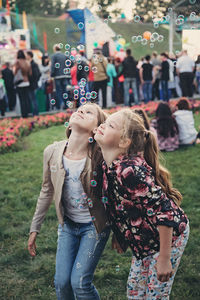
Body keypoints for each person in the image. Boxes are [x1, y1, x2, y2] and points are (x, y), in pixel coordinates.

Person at [94, 109, 189, 300]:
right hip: (144, 241)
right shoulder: (108, 166)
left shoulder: (130, 172)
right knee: (135, 292)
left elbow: (166, 212)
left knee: (155, 294)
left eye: (111, 125)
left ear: (123, 142)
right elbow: (117, 205)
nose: (103, 124)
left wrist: (164, 258)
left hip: (168, 238)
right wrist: (120, 235)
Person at [28, 103, 110, 300]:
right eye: (80, 108)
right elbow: (46, 190)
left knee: (80, 283)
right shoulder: (52, 152)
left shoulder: (100, 156)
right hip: (68, 225)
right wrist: (34, 228)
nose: (81, 110)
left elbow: (115, 195)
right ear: (70, 125)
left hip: (95, 226)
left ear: (96, 129)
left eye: (89, 112)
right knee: (61, 283)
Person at [51, 44, 72, 109]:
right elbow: (71, 63)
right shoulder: (64, 55)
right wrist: (67, 70)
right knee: (65, 91)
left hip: (57, 76)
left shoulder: (54, 56)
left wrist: (52, 74)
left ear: (55, 49)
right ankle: (66, 105)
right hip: (65, 76)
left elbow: (53, 66)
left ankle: (60, 105)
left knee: (58, 91)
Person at [14, 50, 32, 118]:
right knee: (26, 98)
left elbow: (15, 72)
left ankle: (23, 114)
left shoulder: (18, 62)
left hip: (20, 83)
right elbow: (30, 73)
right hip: (27, 82)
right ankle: (27, 113)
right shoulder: (27, 62)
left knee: (22, 100)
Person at [27, 51, 41, 116]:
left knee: (33, 99)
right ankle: (35, 112)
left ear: (29, 56)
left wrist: (33, 80)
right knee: (33, 99)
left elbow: (37, 74)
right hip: (32, 84)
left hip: (32, 84)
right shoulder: (31, 64)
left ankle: (35, 113)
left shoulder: (33, 64)